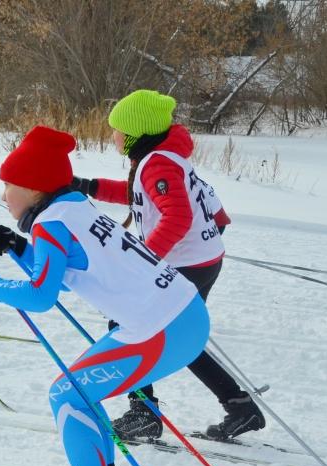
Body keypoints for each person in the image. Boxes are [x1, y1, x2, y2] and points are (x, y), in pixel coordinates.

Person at [0, 126, 210, 466]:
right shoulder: (74, 206)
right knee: (80, 393)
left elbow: (41, 295)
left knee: (66, 395)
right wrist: (17, 247)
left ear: (34, 189)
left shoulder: (50, 223)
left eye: (8, 186)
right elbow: (66, 276)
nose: (4, 195)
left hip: (162, 327)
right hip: (182, 315)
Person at [70, 89, 265, 441]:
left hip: (185, 265)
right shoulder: (160, 159)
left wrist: (143, 262)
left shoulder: (157, 163)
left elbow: (177, 216)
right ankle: (239, 407)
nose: (113, 136)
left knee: (129, 324)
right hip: (201, 261)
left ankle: (144, 412)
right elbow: (139, 194)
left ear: (136, 133)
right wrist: (89, 186)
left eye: (117, 130)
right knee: (180, 335)